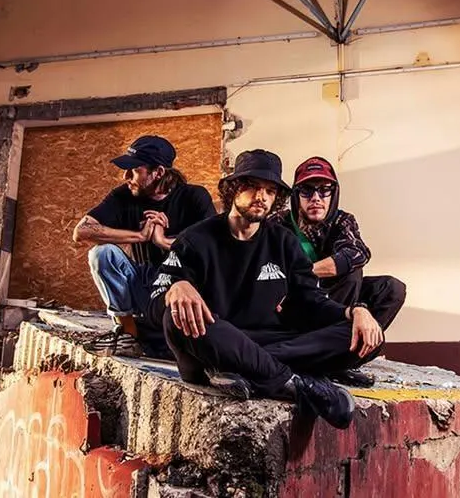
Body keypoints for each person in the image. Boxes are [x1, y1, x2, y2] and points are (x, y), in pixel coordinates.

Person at [147, 149, 385, 429]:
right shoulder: (196, 238)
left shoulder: (284, 242)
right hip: (217, 338)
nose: (261, 196)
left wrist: (355, 312)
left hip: (264, 343)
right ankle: (296, 384)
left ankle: (243, 370)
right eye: (252, 186)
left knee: (367, 336)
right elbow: (153, 306)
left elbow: (311, 301)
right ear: (233, 189)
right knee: (175, 319)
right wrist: (174, 288)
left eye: (270, 191)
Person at [72, 135, 216, 358]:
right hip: (143, 283)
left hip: (179, 286)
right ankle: (127, 334)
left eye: (134, 170)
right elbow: (81, 231)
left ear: (158, 172)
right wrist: (139, 235)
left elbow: (213, 247)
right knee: (102, 254)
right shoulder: (124, 195)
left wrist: (164, 241)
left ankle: (184, 339)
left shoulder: (193, 196)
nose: (126, 176)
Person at [269, 156, 406, 386]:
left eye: (324, 190)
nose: (316, 198)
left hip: (333, 299)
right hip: (294, 304)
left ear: (334, 194)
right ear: (296, 196)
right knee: (351, 274)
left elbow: (356, 253)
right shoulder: (278, 223)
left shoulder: (342, 221)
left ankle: (341, 360)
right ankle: (323, 357)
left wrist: (304, 272)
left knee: (390, 288)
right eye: (307, 191)